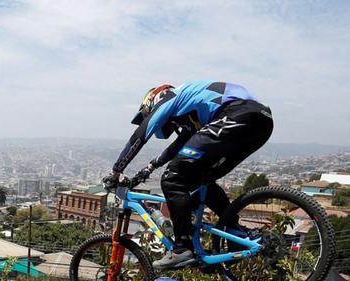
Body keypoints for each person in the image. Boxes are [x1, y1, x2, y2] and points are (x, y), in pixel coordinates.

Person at [104, 81, 273, 270]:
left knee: (172, 179)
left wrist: (116, 171)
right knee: (204, 181)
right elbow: (179, 145)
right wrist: (149, 168)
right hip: (262, 121)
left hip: (237, 114)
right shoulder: (193, 108)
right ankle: (236, 234)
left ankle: (182, 247)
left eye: (147, 113)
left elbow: (141, 134)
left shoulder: (170, 97)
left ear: (152, 101)